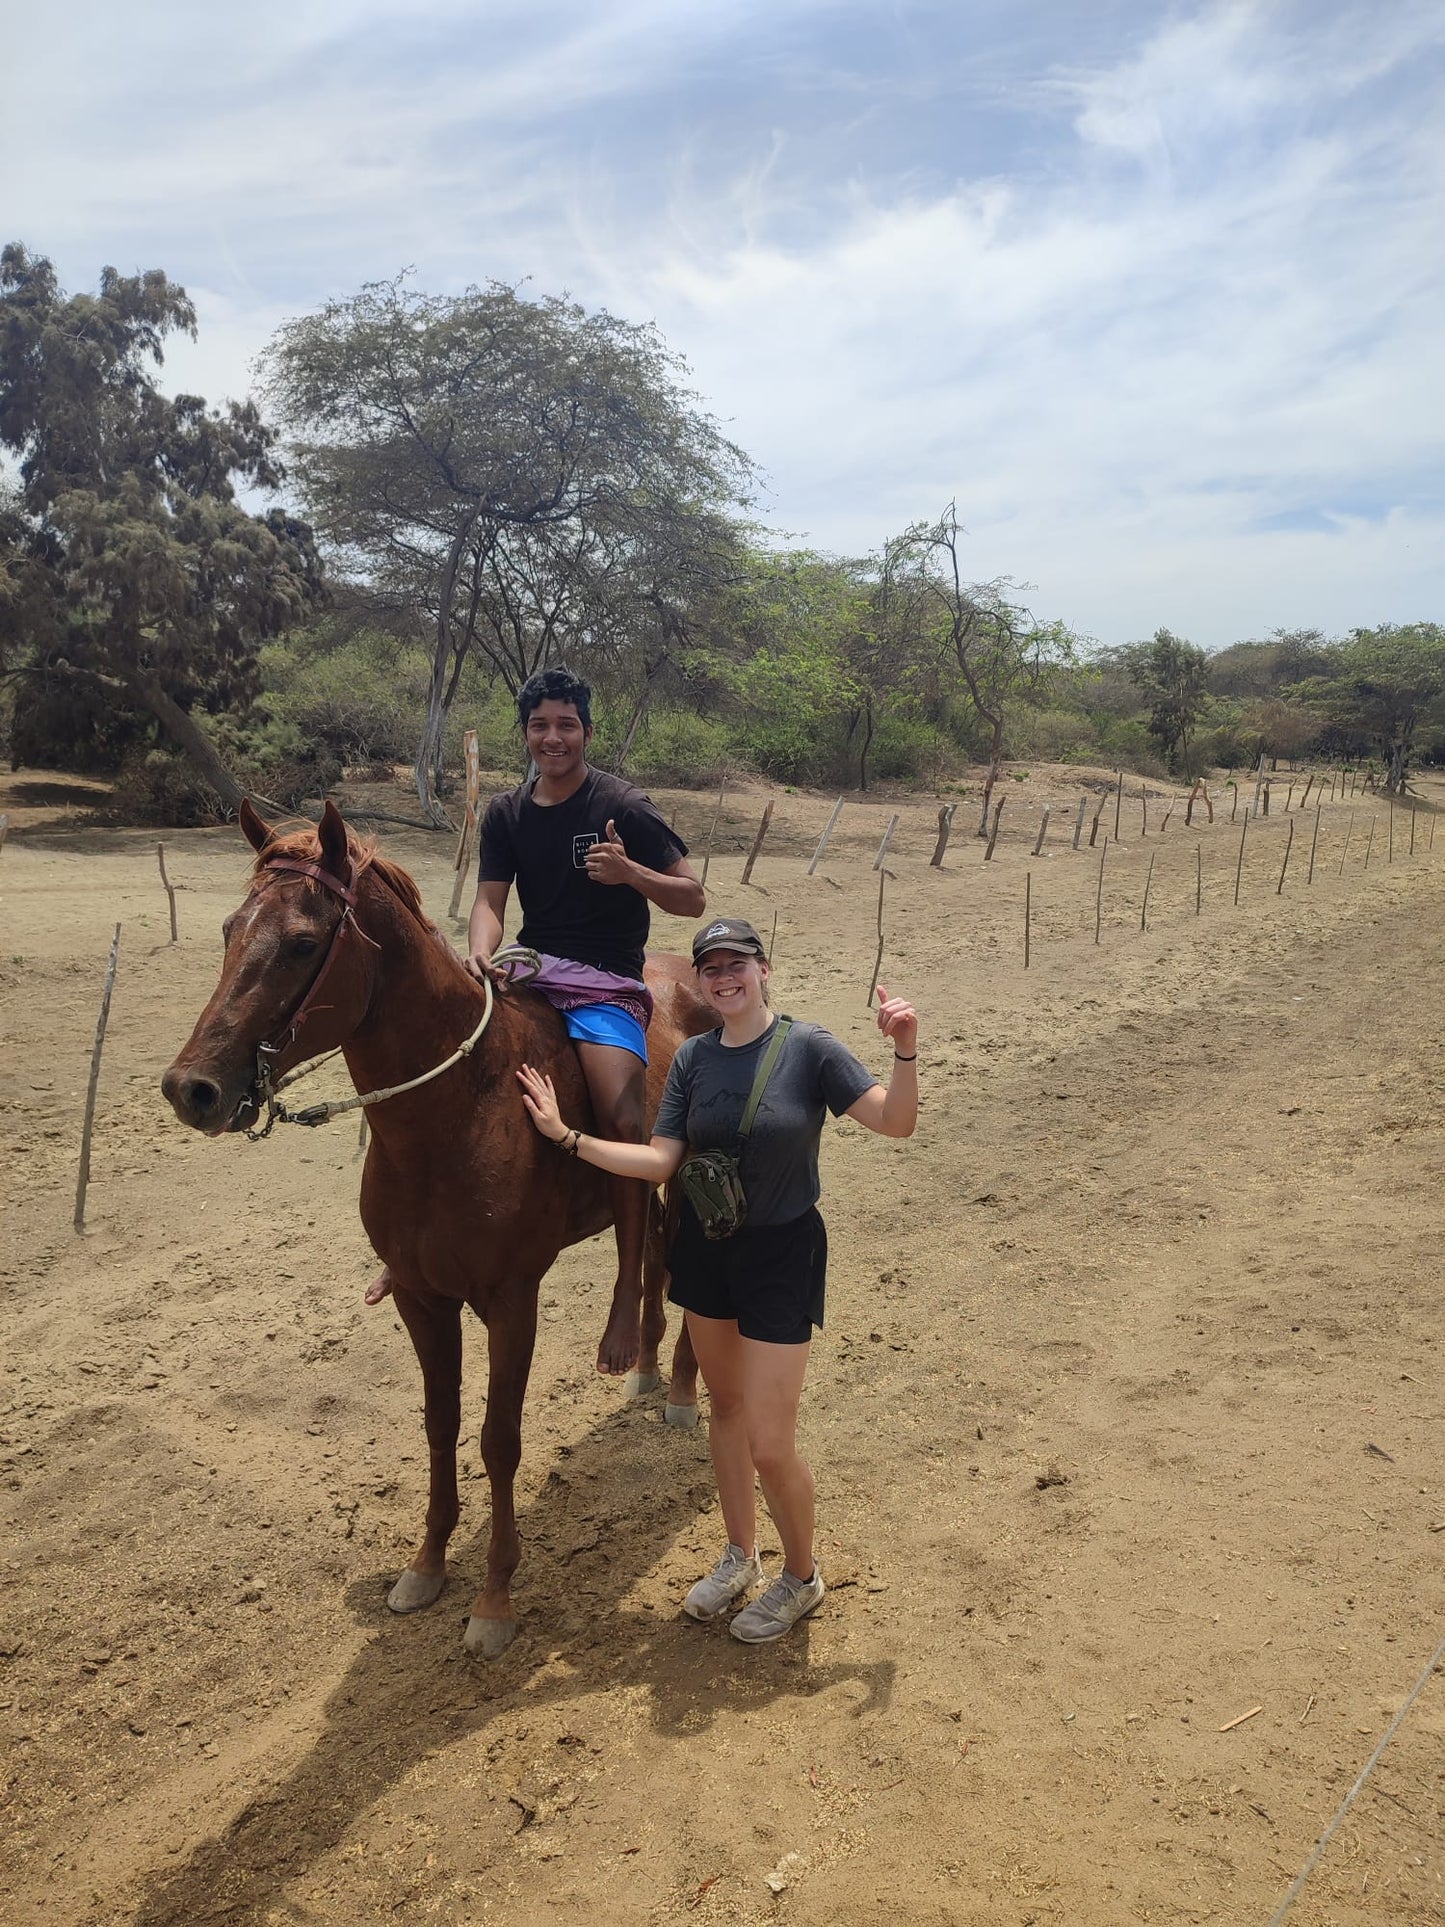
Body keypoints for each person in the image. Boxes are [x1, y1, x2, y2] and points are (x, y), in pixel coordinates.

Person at [516, 915, 918, 1643]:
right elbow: (662, 1159)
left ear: (763, 968)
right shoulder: (696, 1058)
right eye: (711, 967)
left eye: (738, 962)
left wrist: (903, 1050)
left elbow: (894, 1122)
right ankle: (740, 1553)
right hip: (705, 1249)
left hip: (779, 1255)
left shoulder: (809, 1048)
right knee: (724, 1409)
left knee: (770, 1441)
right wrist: (566, 1138)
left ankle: (800, 1574)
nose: (724, 976)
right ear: (699, 980)